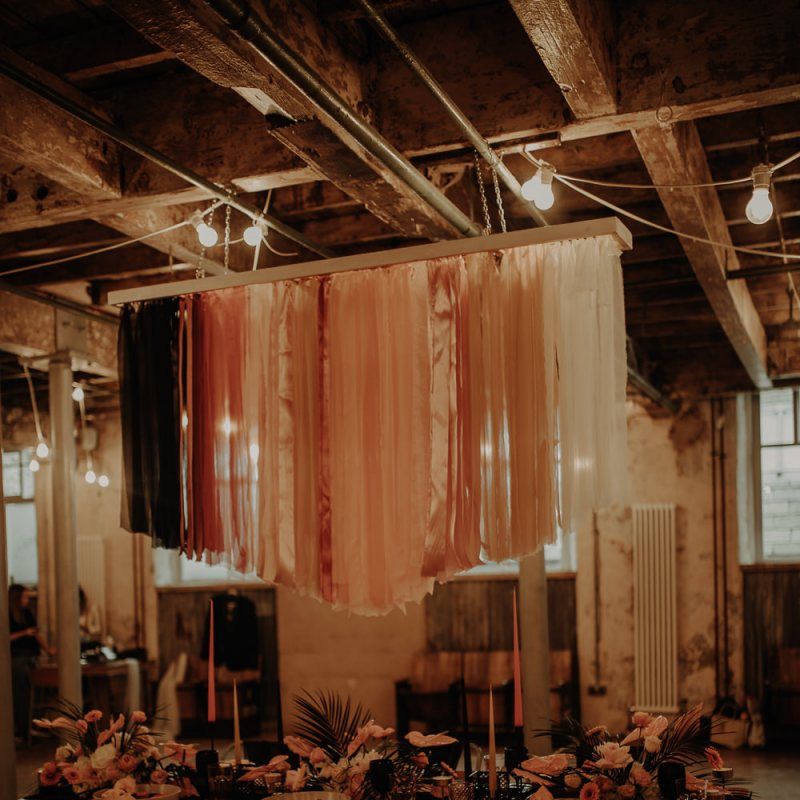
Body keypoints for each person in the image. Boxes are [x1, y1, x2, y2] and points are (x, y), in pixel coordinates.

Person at [8, 584, 52, 744]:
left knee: (38, 689)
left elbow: (35, 634)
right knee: (21, 692)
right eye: (25, 597)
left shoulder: (26, 613)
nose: (27, 600)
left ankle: (34, 725)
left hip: (31, 656)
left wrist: (48, 650)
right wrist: (24, 633)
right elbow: (6, 637)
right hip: (17, 657)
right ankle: (21, 729)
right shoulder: (7, 614)